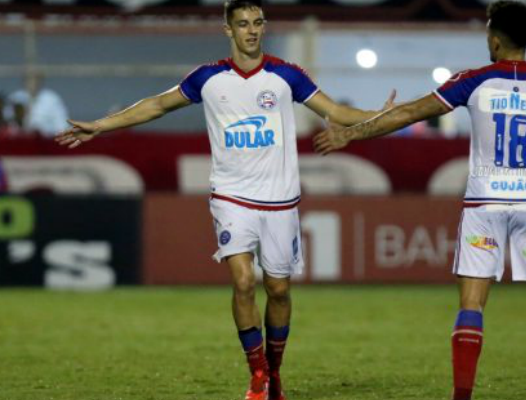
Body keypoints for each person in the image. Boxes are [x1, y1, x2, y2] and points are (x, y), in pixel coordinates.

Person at [55, 1, 394, 399]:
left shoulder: (286, 75)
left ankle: (275, 372)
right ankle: (256, 376)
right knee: (243, 280)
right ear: (228, 30)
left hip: (280, 199)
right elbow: (157, 105)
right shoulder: (208, 78)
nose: (251, 31)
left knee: (279, 290)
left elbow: (334, 110)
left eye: (257, 23)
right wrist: (100, 126)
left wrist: (382, 116)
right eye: (243, 24)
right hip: (231, 195)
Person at [313, 2, 526, 400]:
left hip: (483, 204)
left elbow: (409, 113)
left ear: (494, 38)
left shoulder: (473, 81)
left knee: (472, 305)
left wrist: (353, 134)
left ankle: (461, 396)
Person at [8, 72, 69, 137]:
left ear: (40, 81)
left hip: (46, 142)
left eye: (35, 79)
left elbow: (62, 126)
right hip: (20, 141)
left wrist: (42, 132)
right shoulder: (15, 98)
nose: (32, 82)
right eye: (28, 79)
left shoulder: (51, 99)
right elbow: (7, 124)